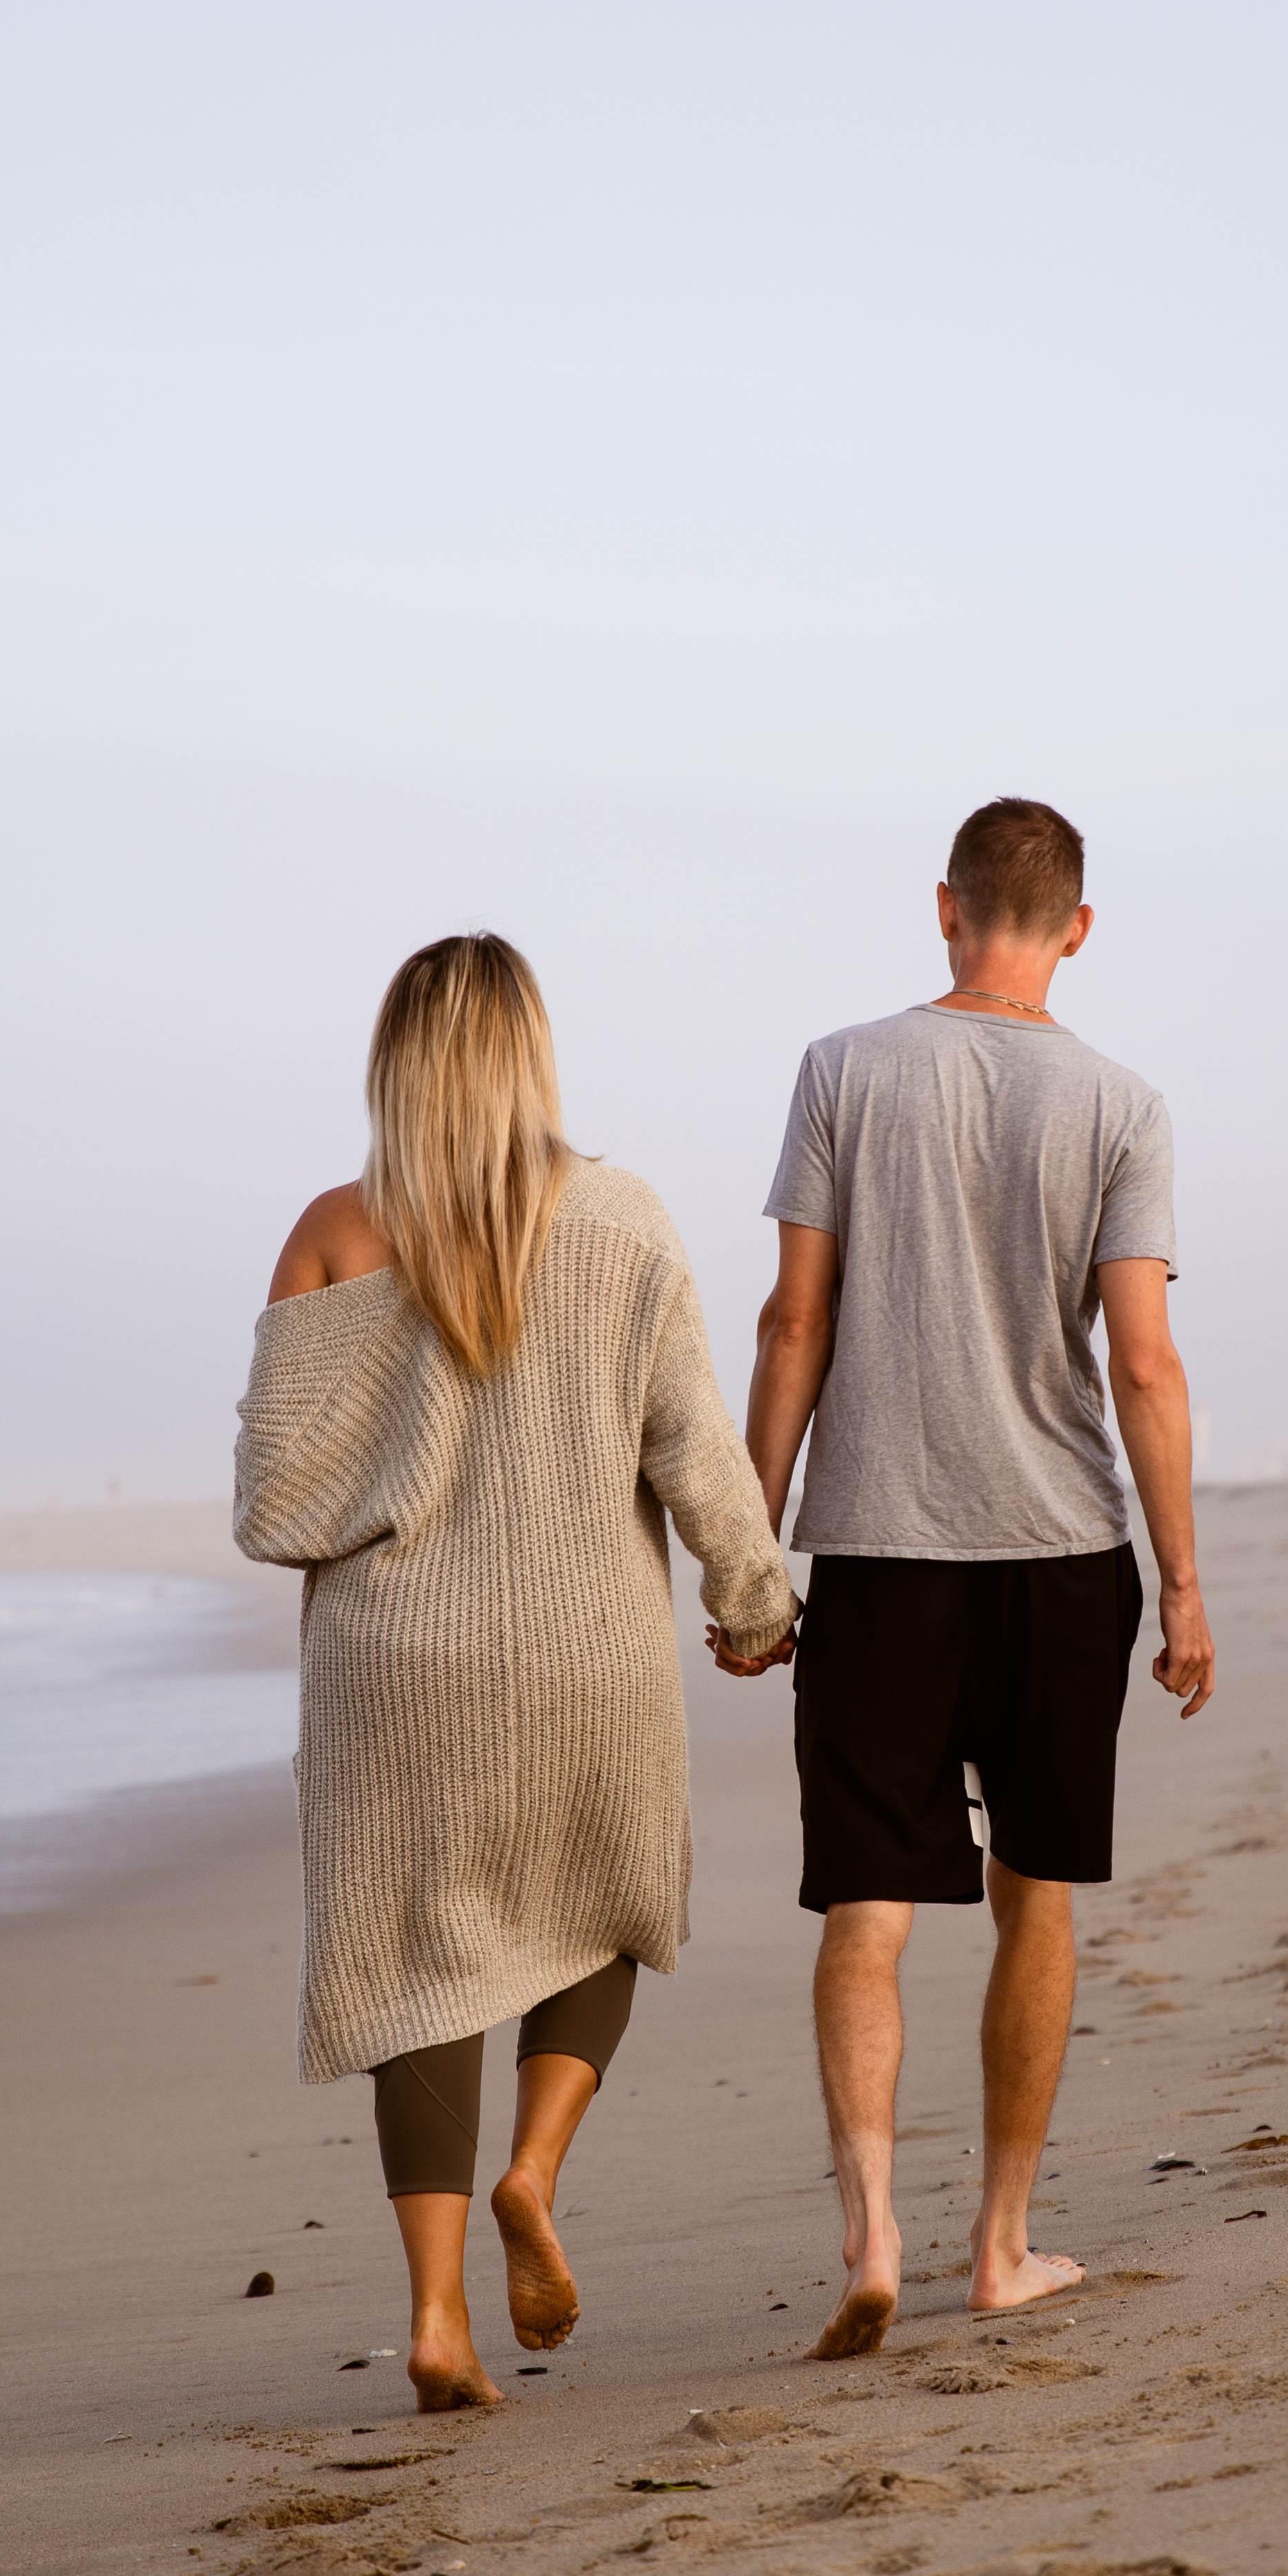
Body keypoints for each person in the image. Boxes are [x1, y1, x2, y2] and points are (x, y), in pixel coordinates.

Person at [236, 935, 797, 2412]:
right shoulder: (621, 1220)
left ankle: (435, 2321)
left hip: (394, 1673)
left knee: (421, 1970)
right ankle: (535, 2170)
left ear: (397, 1062)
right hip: (582, 1651)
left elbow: (272, 1504)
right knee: (606, 1900)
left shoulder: (334, 1234)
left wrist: (398, 1468)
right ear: (531, 1051)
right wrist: (755, 1601)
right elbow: (694, 1445)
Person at [733, 797, 1214, 2362]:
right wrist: (1188, 1582)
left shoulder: (843, 1069)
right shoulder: (1122, 1103)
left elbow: (792, 1323)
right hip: (1064, 1550)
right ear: (1076, 926)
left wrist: (753, 1533)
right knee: (1038, 1900)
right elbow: (1142, 1362)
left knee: (868, 1911)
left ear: (949, 907)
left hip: (877, 1546)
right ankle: (998, 2243)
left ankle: (870, 2229)